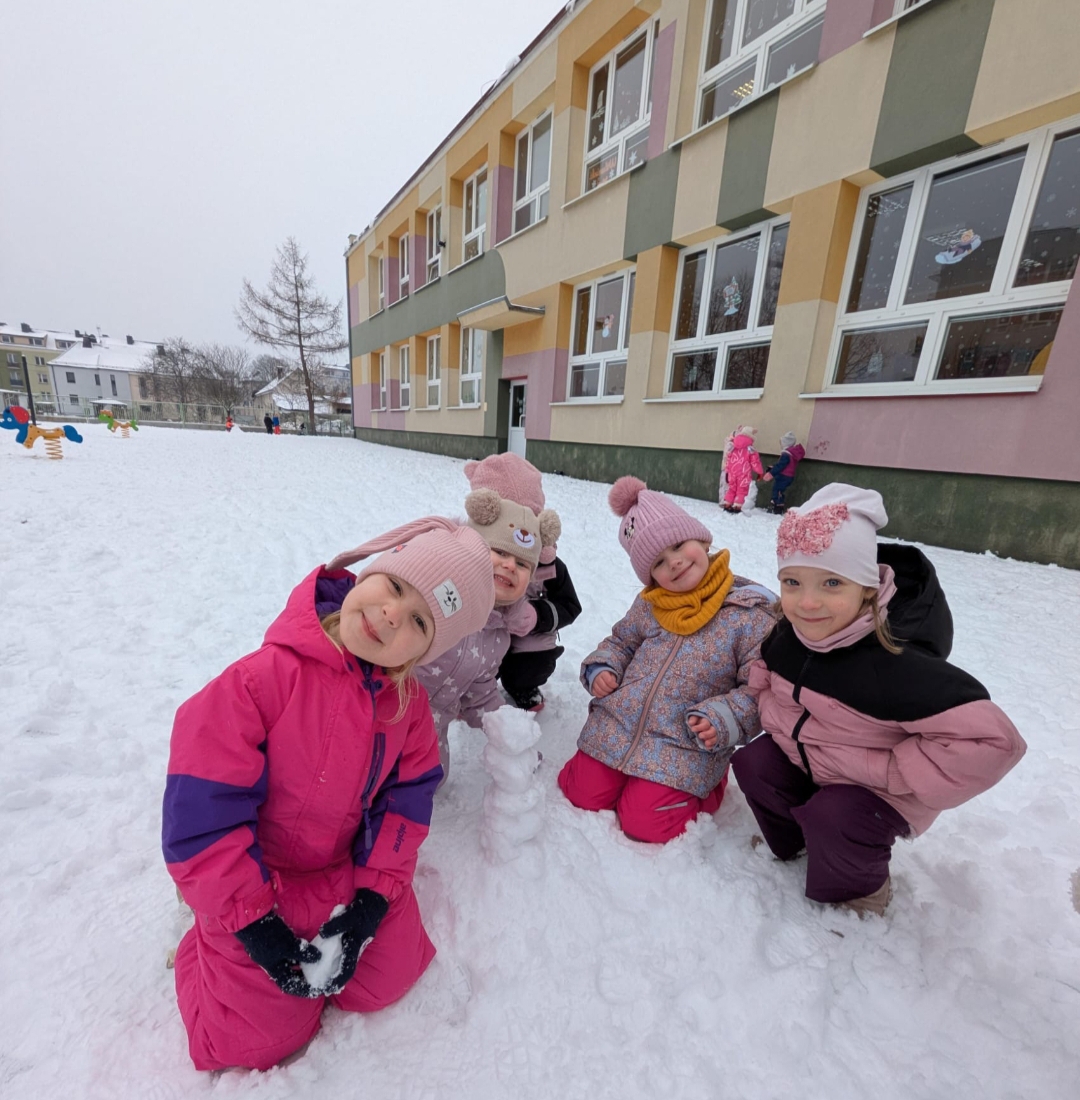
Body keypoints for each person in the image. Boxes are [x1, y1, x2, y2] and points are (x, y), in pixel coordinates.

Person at [162, 518, 496, 1071]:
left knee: (386, 981)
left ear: (427, 649)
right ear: (368, 574)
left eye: (419, 620)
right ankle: (204, 941)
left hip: (341, 870)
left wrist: (371, 901)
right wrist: (251, 921)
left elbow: (404, 809)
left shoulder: (407, 708)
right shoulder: (261, 680)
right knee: (256, 1044)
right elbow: (202, 809)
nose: (392, 614)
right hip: (256, 879)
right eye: (394, 587)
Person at [731, 483, 1026, 917]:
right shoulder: (789, 636)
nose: (808, 602)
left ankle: (858, 889)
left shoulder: (894, 665)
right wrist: (775, 721)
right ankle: (795, 841)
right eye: (792, 582)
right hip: (815, 762)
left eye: (832, 582)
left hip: (873, 792)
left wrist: (890, 770)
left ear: (867, 590)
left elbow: (994, 742)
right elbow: (765, 682)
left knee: (835, 815)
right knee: (754, 763)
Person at [558, 477, 776, 844]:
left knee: (644, 823)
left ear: (702, 541)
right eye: (658, 561)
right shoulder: (651, 604)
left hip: (685, 742)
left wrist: (723, 718)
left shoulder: (748, 614)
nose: (674, 562)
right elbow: (621, 642)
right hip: (621, 725)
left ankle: (708, 786)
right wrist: (602, 667)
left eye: (678, 545)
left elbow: (758, 690)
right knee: (580, 792)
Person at [415, 489, 561, 779]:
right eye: (501, 552)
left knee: (432, 779)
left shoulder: (498, 636)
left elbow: (480, 695)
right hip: (380, 709)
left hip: (430, 726)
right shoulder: (435, 596)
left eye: (523, 563)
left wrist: (512, 738)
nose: (510, 565)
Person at [463, 453, 582, 711]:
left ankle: (522, 685)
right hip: (481, 630)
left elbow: (570, 605)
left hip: (524, 633)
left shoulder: (549, 564)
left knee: (535, 659)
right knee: (464, 649)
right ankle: (467, 686)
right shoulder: (469, 550)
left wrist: (537, 616)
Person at [721, 426, 764, 513]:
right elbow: (755, 462)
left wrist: (727, 472)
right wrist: (760, 472)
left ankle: (727, 504)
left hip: (732, 472)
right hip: (744, 473)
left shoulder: (733, 447)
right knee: (742, 490)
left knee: (731, 488)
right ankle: (737, 506)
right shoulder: (750, 449)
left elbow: (729, 460)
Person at [760, 431, 804, 514]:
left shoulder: (786, 454)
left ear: (785, 443)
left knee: (777, 490)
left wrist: (771, 473)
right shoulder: (791, 454)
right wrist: (773, 468)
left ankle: (777, 507)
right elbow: (786, 465)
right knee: (779, 490)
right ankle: (777, 505)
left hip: (784, 476)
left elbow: (781, 465)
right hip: (789, 476)